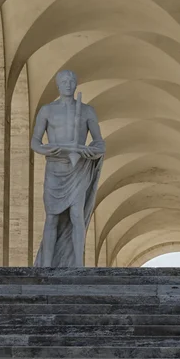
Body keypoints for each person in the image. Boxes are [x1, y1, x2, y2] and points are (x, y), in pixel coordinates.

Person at [31, 70, 106, 267]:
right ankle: (46, 266)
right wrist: (49, 149)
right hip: (55, 167)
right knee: (52, 217)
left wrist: (90, 151)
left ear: (75, 84)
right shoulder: (47, 110)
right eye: (64, 81)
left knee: (76, 215)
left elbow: (100, 143)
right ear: (58, 84)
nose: (68, 84)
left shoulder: (87, 111)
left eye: (71, 81)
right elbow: (35, 142)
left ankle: (78, 265)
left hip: (77, 167)